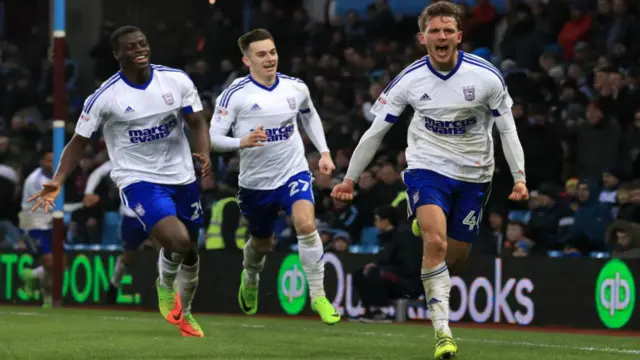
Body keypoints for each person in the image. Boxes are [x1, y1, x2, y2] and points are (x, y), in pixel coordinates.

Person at [331, 3, 528, 359]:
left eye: (448, 30)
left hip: (474, 174)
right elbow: (377, 132)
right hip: (427, 166)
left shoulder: (486, 77)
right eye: (435, 31)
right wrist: (350, 179)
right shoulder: (409, 80)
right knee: (434, 243)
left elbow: (506, 128)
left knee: (456, 257)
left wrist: (519, 178)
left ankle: (426, 262)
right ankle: (443, 334)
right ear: (423, 38)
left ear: (459, 36)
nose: (442, 37)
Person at [28, 26, 211, 338]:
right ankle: (166, 286)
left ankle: (186, 313)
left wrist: (204, 152)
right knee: (178, 241)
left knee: (191, 251)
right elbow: (78, 142)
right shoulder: (105, 97)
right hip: (138, 180)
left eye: (143, 43)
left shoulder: (176, 80)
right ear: (117, 54)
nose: (139, 49)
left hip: (182, 176)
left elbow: (197, 121)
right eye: (130, 46)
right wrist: (58, 179)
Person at [209, 28, 340, 325]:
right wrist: (240, 142)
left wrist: (324, 152)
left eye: (272, 52)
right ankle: (251, 277)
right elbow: (212, 138)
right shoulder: (235, 95)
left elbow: (309, 114)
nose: (269, 59)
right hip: (255, 184)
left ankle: (318, 295)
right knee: (261, 244)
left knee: (306, 225)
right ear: (247, 60)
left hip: (292, 171)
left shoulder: (295, 87)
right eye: (261, 54)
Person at [82, 160, 149, 303]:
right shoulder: (124, 157)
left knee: (166, 248)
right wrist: (88, 192)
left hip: (156, 213)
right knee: (128, 257)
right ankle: (114, 284)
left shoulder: (160, 156)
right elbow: (98, 172)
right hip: (131, 217)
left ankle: (171, 294)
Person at [18, 147, 57, 308]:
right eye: (49, 160)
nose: (53, 163)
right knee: (50, 262)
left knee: (61, 262)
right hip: (33, 223)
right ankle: (45, 295)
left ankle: (34, 278)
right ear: (42, 162)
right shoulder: (36, 181)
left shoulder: (56, 177)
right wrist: (80, 205)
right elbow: (54, 206)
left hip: (49, 222)